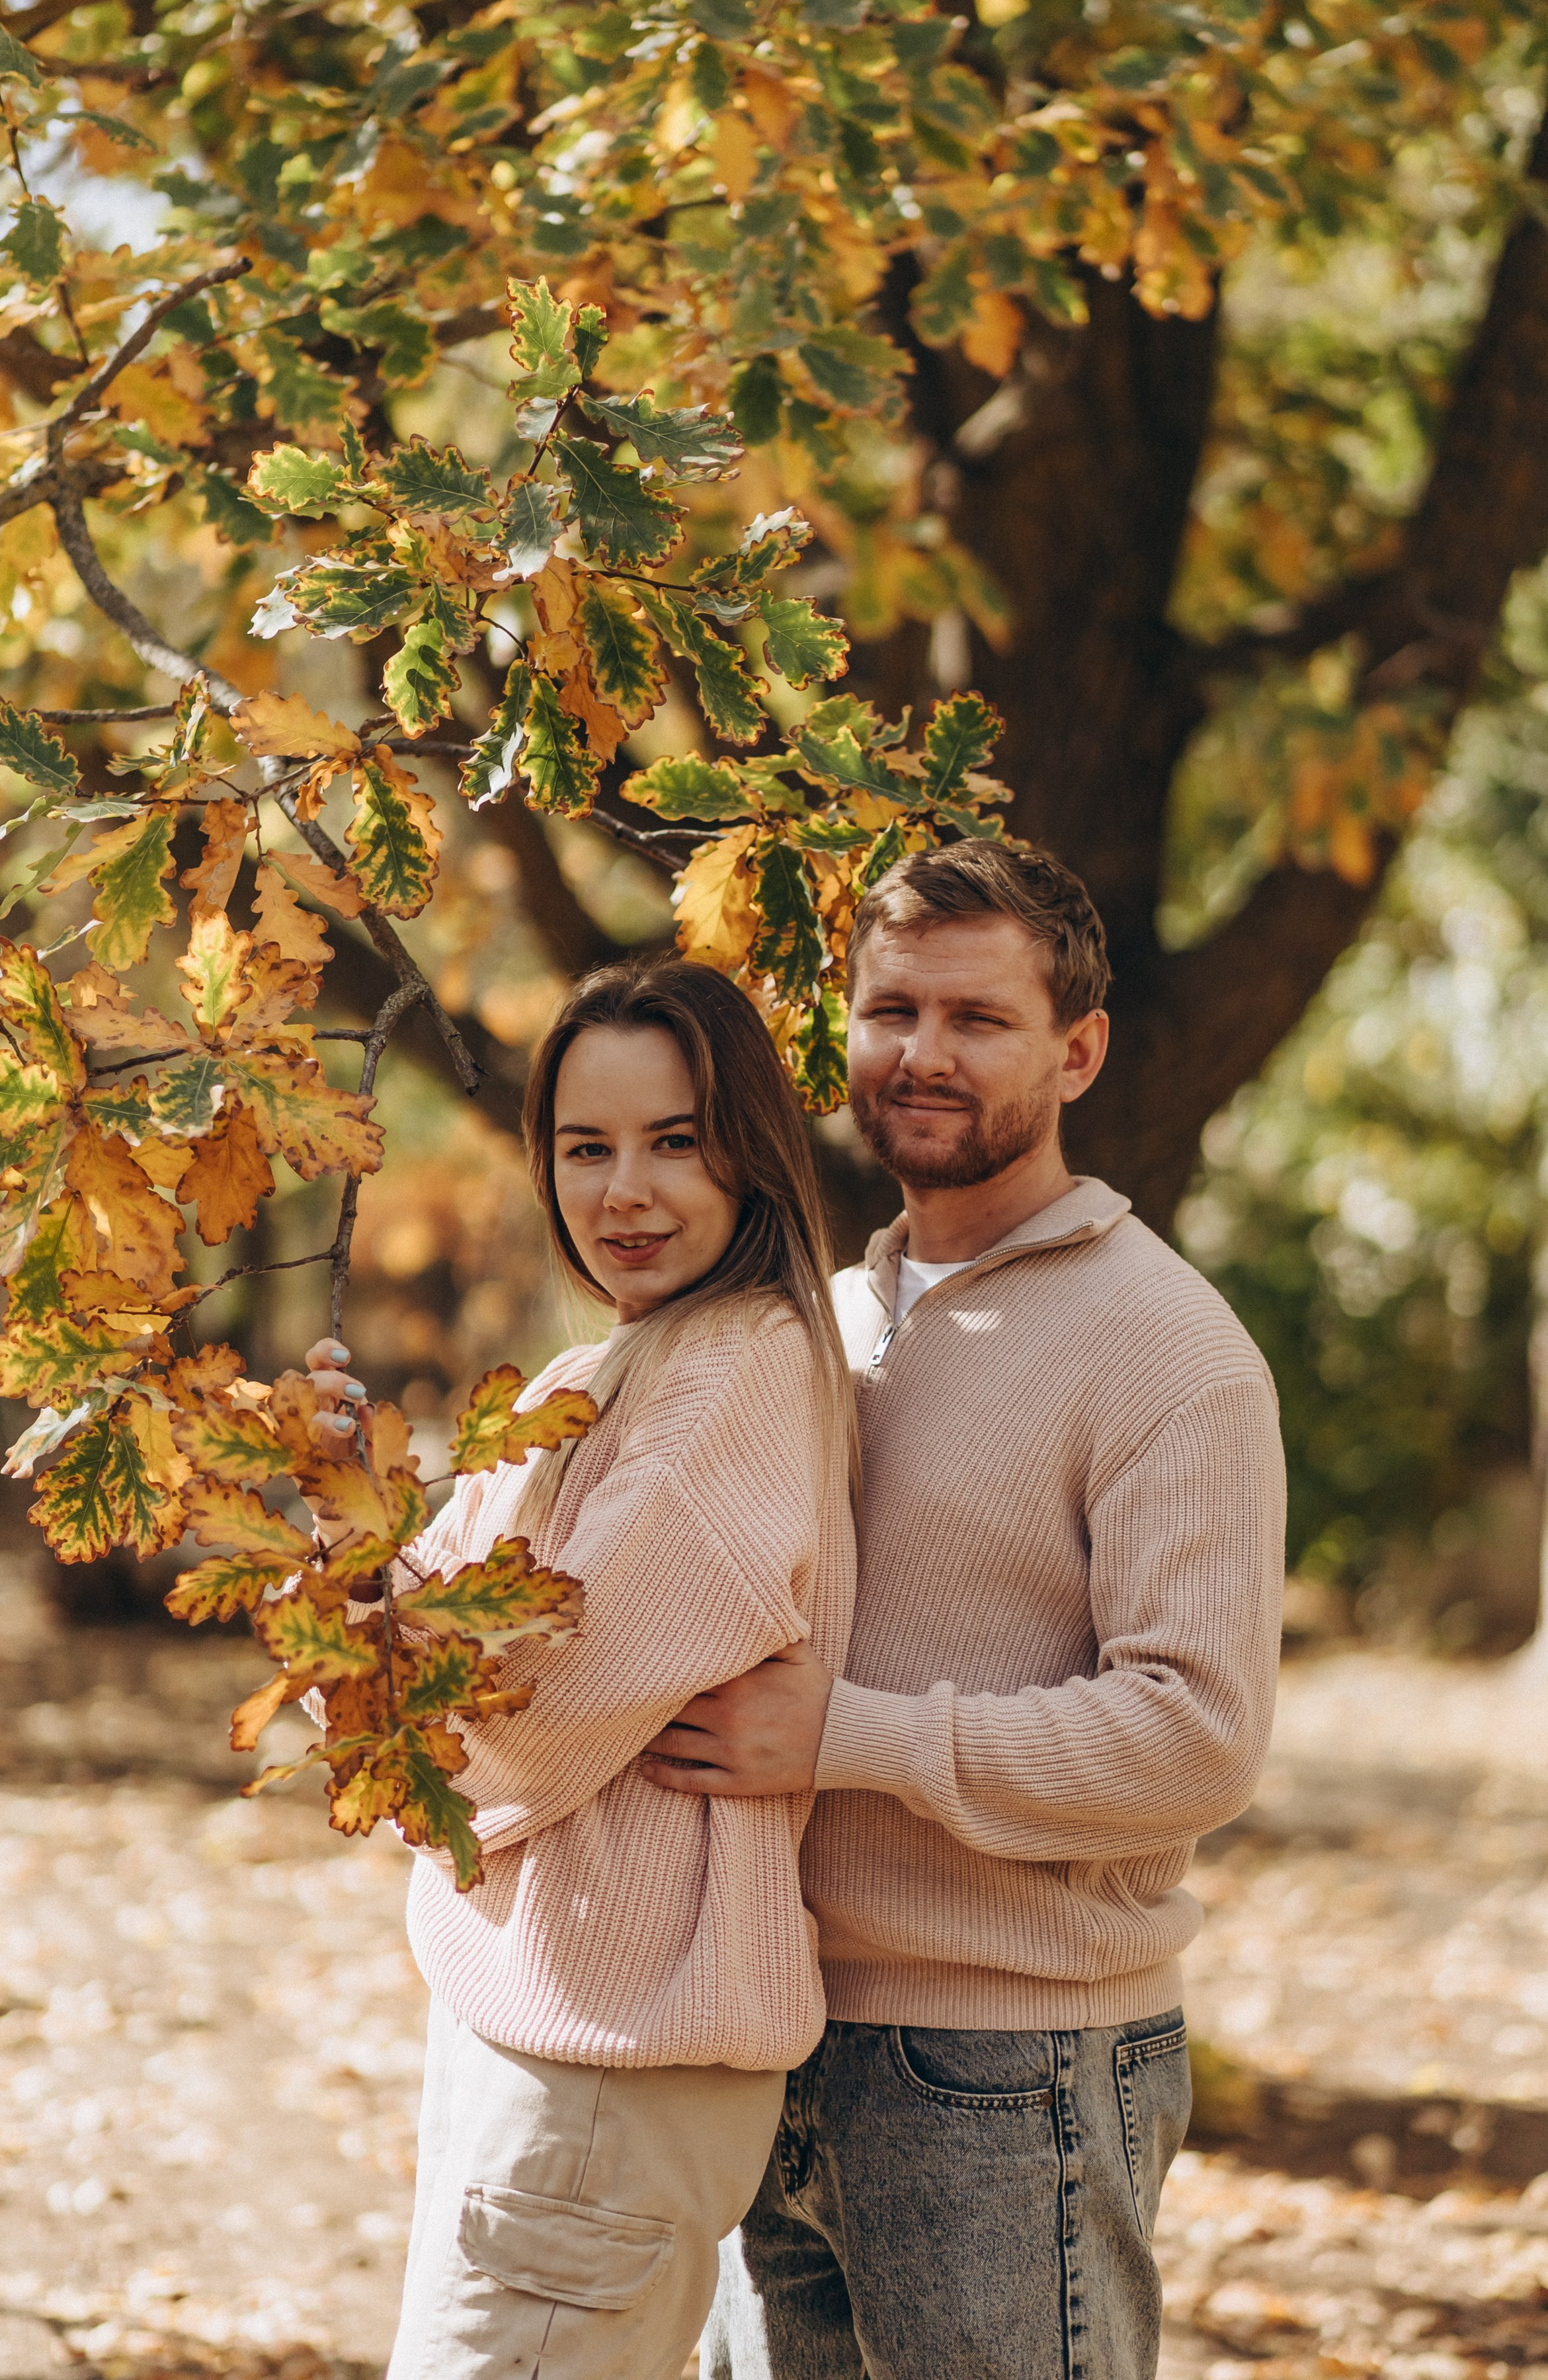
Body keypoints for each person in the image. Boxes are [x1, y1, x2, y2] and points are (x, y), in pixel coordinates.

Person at [639, 841, 1288, 2380]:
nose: (923, 1054)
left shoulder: (1170, 1351)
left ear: (1079, 1052)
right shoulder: (820, 1317)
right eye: (893, 1011)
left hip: (1012, 2066)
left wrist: (847, 1738)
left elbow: (1199, 1738)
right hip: (763, 2035)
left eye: (979, 1019)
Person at [306, 958, 856, 2380]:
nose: (626, 1192)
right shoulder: (592, 1380)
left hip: (609, 2064)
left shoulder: (735, 1374)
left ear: (752, 1152)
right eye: (586, 1147)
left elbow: (523, 1715)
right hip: (536, 2026)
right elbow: (377, 1700)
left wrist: (387, 1643)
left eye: (676, 1141)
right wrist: (346, 1521)